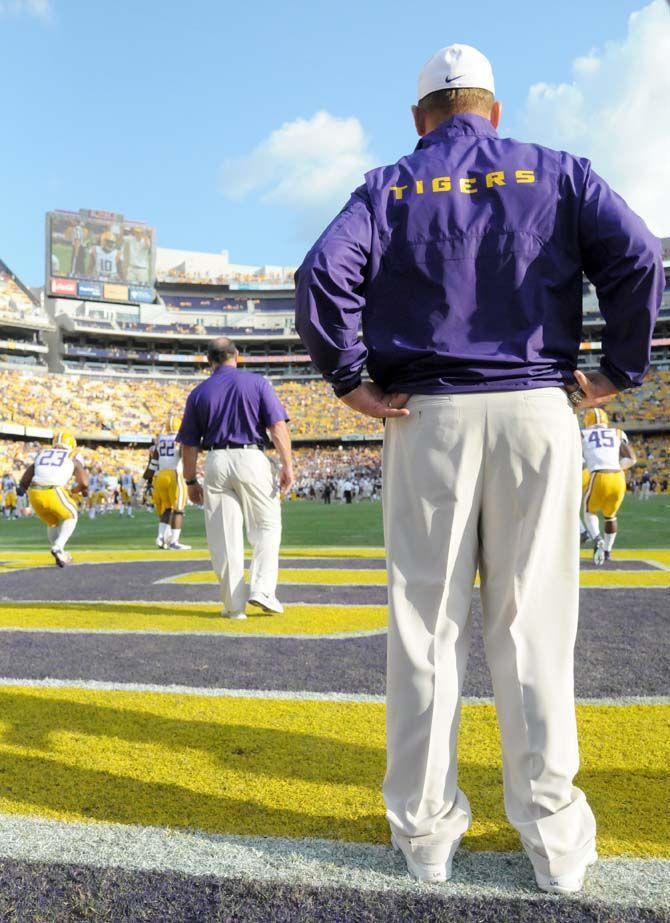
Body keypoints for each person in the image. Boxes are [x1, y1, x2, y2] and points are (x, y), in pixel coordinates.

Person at [295, 43, 663, 893]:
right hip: (540, 406)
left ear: (421, 118)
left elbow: (322, 273)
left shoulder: (390, 183)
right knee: (534, 626)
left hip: (428, 414)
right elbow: (639, 254)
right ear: (494, 110)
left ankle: (424, 837)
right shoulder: (560, 170)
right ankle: (556, 843)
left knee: (426, 630)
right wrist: (618, 369)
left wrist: (350, 379)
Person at [177, 337, 294, 619]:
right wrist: (287, 464)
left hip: (216, 459)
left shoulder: (198, 392)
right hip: (251, 457)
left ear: (209, 360)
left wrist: (191, 481)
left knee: (223, 536)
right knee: (266, 526)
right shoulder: (257, 383)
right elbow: (277, 427)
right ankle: (263, 589)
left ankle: (233, 606)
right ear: (236, 355)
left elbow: (189, 444)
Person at [19, 431, 88, 566]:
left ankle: (59, 553)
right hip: (53, 490)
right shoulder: (72, 455)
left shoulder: (43, 453)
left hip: (34, 493)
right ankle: (58, 547)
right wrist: (75, 491)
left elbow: (25, 479)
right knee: (72, 514)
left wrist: (22, 493)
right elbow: (84, 483)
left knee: (53, 522)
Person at [581, 408, 635, 563]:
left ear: (587, 421)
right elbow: (632, 459)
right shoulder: (617, 433)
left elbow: (577, 460)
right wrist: (615, 466)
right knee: (611, 517)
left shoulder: (582, 434)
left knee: (588, 512)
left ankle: (598, 540)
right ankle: (608, 551)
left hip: (598, 474)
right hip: (618, 477)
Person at [143, 413, 191, 550]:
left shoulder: (160, 439)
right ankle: (174, 541)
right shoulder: (180, 438)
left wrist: (144, 480)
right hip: (175, 474)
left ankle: (160, 537)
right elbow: (183, 455)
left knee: (167, 508)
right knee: (179, 509)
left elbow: (154, 462)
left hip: (161, 475)